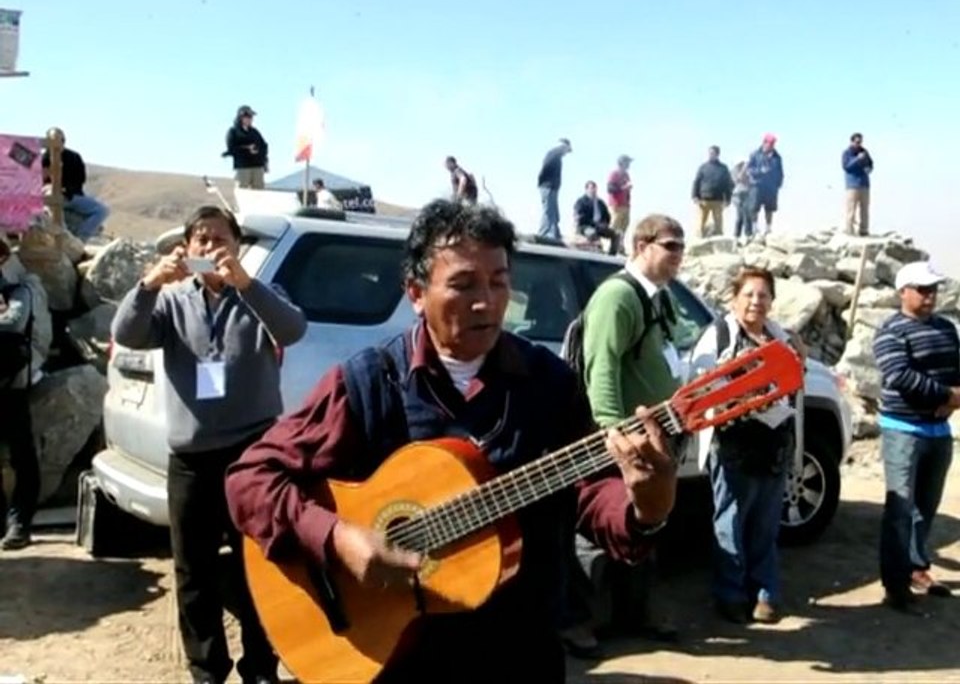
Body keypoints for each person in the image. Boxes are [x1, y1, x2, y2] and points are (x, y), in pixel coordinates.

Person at [224, 200, 679, 683]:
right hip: (399, 658)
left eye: (499, 282)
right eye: (463, 285)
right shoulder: (369, 382)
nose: (486, 302)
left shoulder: (549, 384)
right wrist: (336, 538)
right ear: (416, 293)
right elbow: (250, 479)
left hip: (519, 650)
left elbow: (592, 492)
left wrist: (646, 507)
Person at [111, 205, 307, 684]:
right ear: (187, 248)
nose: (211, 247)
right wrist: (150, 283)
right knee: (193, 572)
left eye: (220, 238)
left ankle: (261, 667)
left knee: (258, 564)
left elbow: (292, 329)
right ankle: (206, 671)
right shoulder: (172, 302)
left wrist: (246, 284)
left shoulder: (259, 294)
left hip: (252, 454)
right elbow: (126, 333)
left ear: (237, 245)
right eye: (202, 239)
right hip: (191, 459)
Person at [574, 214, 687, 643]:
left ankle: (635, 614)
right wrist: (611, 433)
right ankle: (585, 621)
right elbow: (601, 366)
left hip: (653, 435)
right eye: (670, 245)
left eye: (682, 247)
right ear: (642, 245)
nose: (679, 254)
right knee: (601, 529)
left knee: (646, 523)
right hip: (621, 440)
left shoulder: (658, 298)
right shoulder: (618, 296)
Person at [690, 267, 800, 624]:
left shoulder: (779, 337)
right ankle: (731, 594)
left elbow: (793, 381)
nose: (756, 302)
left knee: (766, 522)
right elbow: (699, 383)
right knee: (731, 519)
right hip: (732, 441)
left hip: (773, 442)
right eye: (749, 294)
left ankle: (765, 593)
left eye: (763, 295)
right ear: (734, 299)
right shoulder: (718, 336)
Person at [873, 260, 959, 614]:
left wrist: (952, 400)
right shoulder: (890, 331)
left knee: (925, 506)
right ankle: (895, 585)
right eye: (922, 290)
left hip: (938, 430)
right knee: (900, 508)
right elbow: (900, 376)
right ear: (903, 292)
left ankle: (917, 566)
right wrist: (948, 396)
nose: (930, 296)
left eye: (933, 289)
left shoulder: (946, 328)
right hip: (903, 430)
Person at [0, 235, 40, 550]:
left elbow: (12, 324)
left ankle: (20, 521)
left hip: (11, 387)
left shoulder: (19, 291)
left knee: (22, 456)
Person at [40, 127, 110, 241]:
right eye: (52, 140)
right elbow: (37, 180)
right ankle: (61, 237)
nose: (57, 143)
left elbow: (80, 179)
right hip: (50, 194)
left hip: (71, 195)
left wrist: (65, 189)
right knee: (50, 202)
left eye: (60, 140)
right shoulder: (43, 158)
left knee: (102, 210)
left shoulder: (74, 157)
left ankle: (80, 238)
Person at [691, 146, 734, 238]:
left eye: (713, 153)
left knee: (718, 224)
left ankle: (719, 240)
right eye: (710, 153)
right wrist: (694, 196)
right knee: (701, 223)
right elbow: (696, 182)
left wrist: (728, 199)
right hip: (704, 199)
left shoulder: (723, 168)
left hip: (718, 200)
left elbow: (728, 184)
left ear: (717, 154)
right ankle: (698, 239)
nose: (711, 155)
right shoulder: (703, 167)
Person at [746, 134, 784, 237]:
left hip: (771, 187)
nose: (771, 146)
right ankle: (755, 228)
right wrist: (760, 171)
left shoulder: (777, 157)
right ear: (764, 143)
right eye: (769, 143)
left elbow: (780, 172)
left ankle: (768, 228)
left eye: (773, 144)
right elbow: (749, 170)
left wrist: (778, 183)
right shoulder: (755, 154)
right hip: (757, 185)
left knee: (770, 208)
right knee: (754, 207)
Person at [223, 106, 269, 190]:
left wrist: (262, 156)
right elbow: (231, 149)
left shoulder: (255, 132)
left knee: (259, 192)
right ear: (240, 117)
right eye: (247, 116)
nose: (250, 119)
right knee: (242, 190)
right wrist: (247, 149)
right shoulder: (233, 131)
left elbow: (264, 146)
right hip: (243, 167)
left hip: (257, 166)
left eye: (251, 117)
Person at [537, 138, 572, 239]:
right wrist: (545, 182)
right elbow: (545, 168)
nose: (566, 153)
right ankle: (545, 233)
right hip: (548, 187)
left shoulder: (556, 156)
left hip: (551, 187)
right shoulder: (554, 154)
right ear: (564, 147)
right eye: (567, 150)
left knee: (554, 211)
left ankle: (554, 233)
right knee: (549, 211)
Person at [573, 180, 620, 255]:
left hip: (599, 227)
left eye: (595, 188)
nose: (593, 190)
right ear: (586, 189)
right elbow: (580, 218)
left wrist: (604, 224)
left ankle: (612, 255)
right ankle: (597, 253)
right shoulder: (581, 202)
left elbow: (607, 216)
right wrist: (595, 224)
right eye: (591, 188)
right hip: (585, 227)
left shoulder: (600, 202)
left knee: (616, 234)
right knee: (593, 233)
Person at [842, 132, 874, 236]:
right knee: (851, 209)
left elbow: (871, 164)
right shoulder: (846, 153)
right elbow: (846, 167)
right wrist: (857, 159)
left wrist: (869, 168)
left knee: (865, 209)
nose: (859, 144)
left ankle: (864, 230)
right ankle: (849, 230)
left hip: (864, 184)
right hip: (852, 185)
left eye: (860, 142)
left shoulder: (864, 152)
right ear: (852, 142)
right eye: (857, 142)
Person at [606, 155, 633, 255]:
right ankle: (609, 247)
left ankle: (620, 247)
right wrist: (623, 188)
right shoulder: (614, 174)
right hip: (616, 205)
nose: (629, 164)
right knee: (614, 226)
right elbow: (610, 189)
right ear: (622, 163)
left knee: (623, 227)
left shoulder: (626, 175)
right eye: (627, 162)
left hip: (625, 205)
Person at [730, 160, 755, 244]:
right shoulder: (734, 171)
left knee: (746, 215)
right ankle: (739, 236)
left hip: (747, 194)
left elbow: (751, 182)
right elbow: (739, 179)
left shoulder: (748, 172)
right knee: (741, 216)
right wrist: (744, 169)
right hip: (738, 195)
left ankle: (746, 235)